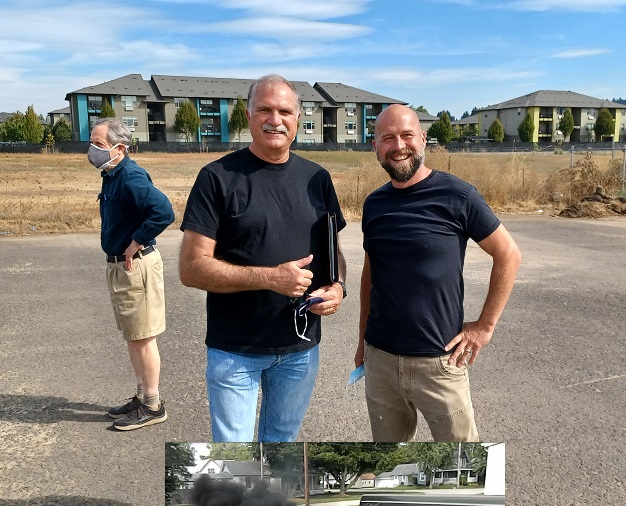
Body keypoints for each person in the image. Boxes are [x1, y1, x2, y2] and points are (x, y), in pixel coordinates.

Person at [179, 74, 347, 442]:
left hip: (300, 349)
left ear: (298, 119)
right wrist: (270, 278)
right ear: (249, 114)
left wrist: (337, 286)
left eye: (285, 111)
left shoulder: (317, 179)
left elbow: (333, 253)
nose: (275, 119)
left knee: (280, 448)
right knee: (235, 458)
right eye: (265, 110)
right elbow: (191, 268)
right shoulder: (217, 178)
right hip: (236, 350)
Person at [355, 104, 521, 442]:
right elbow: (371, 275)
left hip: (440, 363)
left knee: (462, 470)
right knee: (390, 464)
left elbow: (508, 254)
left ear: (423, 139)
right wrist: (362, 342)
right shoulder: (374, 204)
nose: (398, 146)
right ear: (375, 147)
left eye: (406, 135)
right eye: (387, 138)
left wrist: (484, 327)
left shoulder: (458, 196)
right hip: (381, 361)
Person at [89, 117, 175, 430]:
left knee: (142, 337)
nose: (92, 149)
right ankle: (141, 397)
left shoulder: (130, 176)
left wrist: (136, 241)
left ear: (119, 148)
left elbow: (164, 212)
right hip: (121, 267)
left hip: (134, 266)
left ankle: (152, 405)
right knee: (133, 337)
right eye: (93, 142)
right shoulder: (111, 174)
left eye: (99, 144)